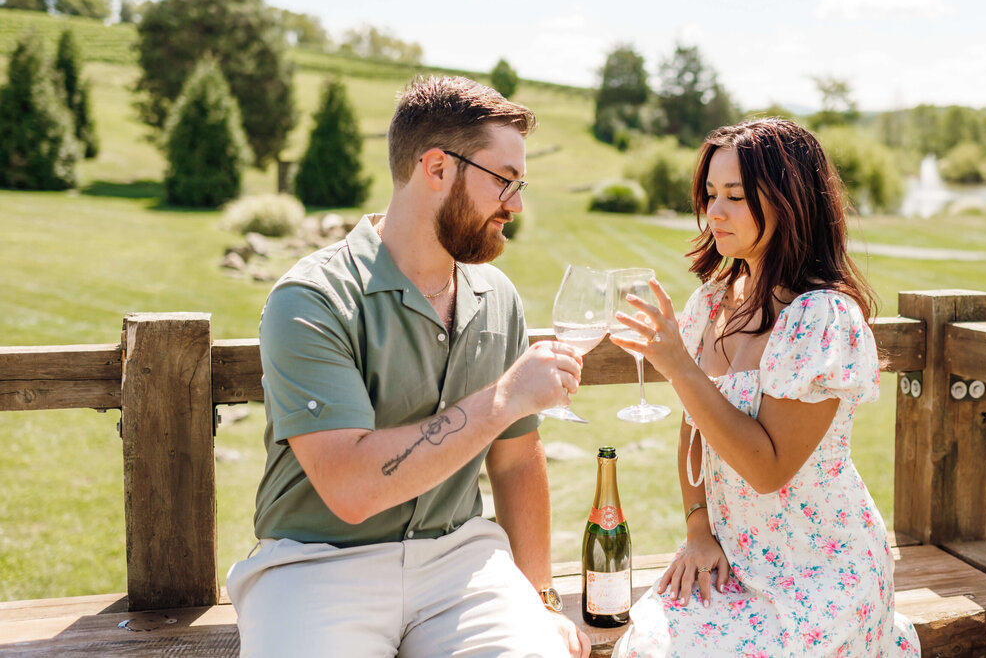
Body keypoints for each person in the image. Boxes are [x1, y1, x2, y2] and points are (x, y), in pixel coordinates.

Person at [227, 76, 591, 658]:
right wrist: (504, 399)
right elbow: (351, 487)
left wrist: (540, 599)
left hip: (461, 561)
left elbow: (518, 458)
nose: (517, 204)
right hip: (316, 566)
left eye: (521, 184)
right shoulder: (311, 299)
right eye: (504, 181)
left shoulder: (498, 296)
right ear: (438, 168)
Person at [609, 118, 920, 657]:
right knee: (650, 643)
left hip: (821, 570)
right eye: (710, 195)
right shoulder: (710, 304)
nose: (714, 213)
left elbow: (768, 469)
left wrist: (679, 365)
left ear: (789, 201)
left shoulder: (821, 317)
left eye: (735, 195)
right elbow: (694, 433)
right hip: (732, 555)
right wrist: (698, 529)